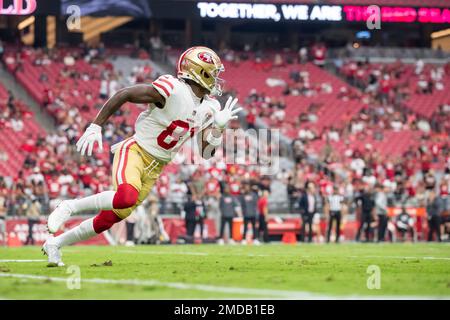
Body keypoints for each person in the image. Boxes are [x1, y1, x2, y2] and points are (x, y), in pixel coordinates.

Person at [43, 47, 241, 266]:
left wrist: (219, 129)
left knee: (108, 219)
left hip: (156, 168)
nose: (216, 79)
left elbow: (206, 152)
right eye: (213, 73)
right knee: (125, 197)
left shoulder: (211, 106)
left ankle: (55, 244)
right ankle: (69, 206)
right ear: (199, 72)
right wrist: (95, 126)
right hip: (136, 152)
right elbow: (125, 94)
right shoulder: (173, 89)